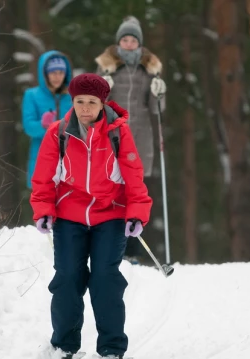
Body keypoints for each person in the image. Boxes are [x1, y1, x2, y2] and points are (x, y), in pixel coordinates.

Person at [30, 73, 152, 359]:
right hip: (69, 216)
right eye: (79, 102)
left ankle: (111, 347)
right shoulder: (59, 133)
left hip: (110, 214)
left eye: (92, 102)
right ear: (72, 102)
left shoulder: (117, 133)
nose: (85, 108)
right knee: (68, 277)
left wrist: (136, 212)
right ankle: (64, 345)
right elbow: (44, 177)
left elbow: (134, 176)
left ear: (103, 104)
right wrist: (43, 208)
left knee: (104, 278)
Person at [94, 16, 167, 262]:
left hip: (140, 137)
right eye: (124, 39)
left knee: (135, 194)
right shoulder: (106, 67)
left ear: (139, 43)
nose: (128, 43)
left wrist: (159, 93)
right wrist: (101, 88)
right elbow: (93, 107)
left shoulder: (150, 69)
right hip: (112, 136)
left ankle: (133, 251)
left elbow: (157, 110)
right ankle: (112, 248)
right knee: (113, 192)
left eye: (132, 40)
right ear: (118, 42)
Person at [22, 51, 73, 190]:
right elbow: (28, 127)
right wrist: (43, 125)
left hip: (71, 161)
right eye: (53, 72)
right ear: (45, 74)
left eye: (61, 72)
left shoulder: (73, 97)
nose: (57, 77)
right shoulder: (31, 95)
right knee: (44, 208)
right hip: (42, 160)